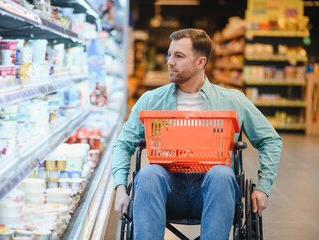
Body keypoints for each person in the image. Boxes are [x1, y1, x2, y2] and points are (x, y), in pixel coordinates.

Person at [111, 28, 282, 240]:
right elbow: (123, 143)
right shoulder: (151, 100)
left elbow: (270, 140)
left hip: (213, 192)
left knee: (222, 174)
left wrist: (263, 188)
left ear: (201, 62)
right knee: (147, 174)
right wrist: (120, 188)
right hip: (167, 191)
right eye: (170, 54)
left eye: (179, 56)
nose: (169, 61)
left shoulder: (232, 101)